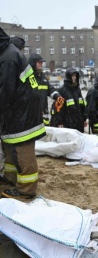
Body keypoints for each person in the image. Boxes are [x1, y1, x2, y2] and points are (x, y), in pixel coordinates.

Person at [0, 27, 46, 199]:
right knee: (12, 147)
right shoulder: (8, 52)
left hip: (22, 113)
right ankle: (11, 178)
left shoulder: (8, 57)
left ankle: (26, 190)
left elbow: (5, 92)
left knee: (22, 150)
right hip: (20, 110)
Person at [28, 54, 63, 126]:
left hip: (44, 114)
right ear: (33, 63)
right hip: (32, 116)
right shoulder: (28, 77)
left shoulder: (42, 76)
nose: (41, 64)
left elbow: (50, 89)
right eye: (39, 62)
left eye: (42, 62)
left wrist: (57, 96)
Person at [50, 68, 87, 133]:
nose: (74, 78)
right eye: (72, 76)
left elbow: (82, 105)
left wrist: (84, 118)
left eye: (75, 76)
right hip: (68, 123)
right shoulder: (62, 90)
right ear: (68, 77)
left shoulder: (77, 89)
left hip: (79, 122)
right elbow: (58, 108)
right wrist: (59, 122)